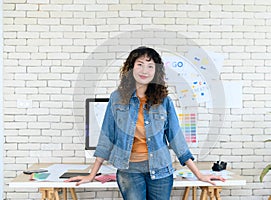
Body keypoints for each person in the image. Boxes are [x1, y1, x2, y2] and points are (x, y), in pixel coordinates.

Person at [66, 46, 225, 200]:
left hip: (161, 170)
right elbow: (107, 137)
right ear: (131, 68)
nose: (145, 70)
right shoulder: (117, 99)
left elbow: (177, 139)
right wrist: (92, 175)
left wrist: (199, 175)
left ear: (156, 72)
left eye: (150, 66)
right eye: (140, 64)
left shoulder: (164, 101)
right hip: (129, 170)